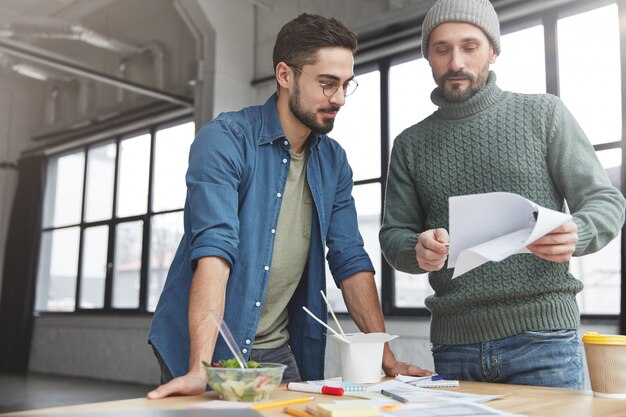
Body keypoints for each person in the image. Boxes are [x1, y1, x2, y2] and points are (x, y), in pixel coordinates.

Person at [147, 13, 431, 399]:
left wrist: (387, 358)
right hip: (210, 347)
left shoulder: (334, 162)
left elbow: (350, 258)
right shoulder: (226, 139)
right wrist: (201, 366)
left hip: (277, 349)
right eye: (327, 84)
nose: (340, 99)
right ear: (285, 74)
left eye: (347, 85)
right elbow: (214, 250)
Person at [379, 0, 626, 389]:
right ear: (428, 56)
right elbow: (394, 235)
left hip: (543, 340)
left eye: (470, 47)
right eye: (441, 49)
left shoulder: (544, 114)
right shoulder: (409, 144)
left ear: (493, 51)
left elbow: (605, 201)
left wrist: (577, 230)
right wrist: (417, 249)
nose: (455, 61)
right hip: (453, 345)